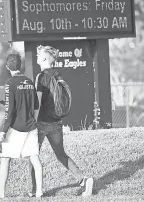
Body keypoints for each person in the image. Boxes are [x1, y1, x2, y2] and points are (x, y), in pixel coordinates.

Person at [29, 45, 94, 197]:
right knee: (61, 154)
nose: (37, 57)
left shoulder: (41, 77)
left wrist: (32, 122)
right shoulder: (59, 75)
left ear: (45, 58)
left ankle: (35, 190)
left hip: (41, 123)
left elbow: (37, 103)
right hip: (57, 123)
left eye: (39, 55)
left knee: (33, 156)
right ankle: (83, 180)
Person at [0, 54, 43, 198]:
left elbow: (9, 110)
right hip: (31, 127)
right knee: (35, 158)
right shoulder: (30, 82)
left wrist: (3, 130)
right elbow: (36, 106)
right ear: (21, 66)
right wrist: (33, 122)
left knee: (5, 158)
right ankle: (39, 192)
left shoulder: (10, 83)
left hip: (15, 128)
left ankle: (1, 193)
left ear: (7, 67)